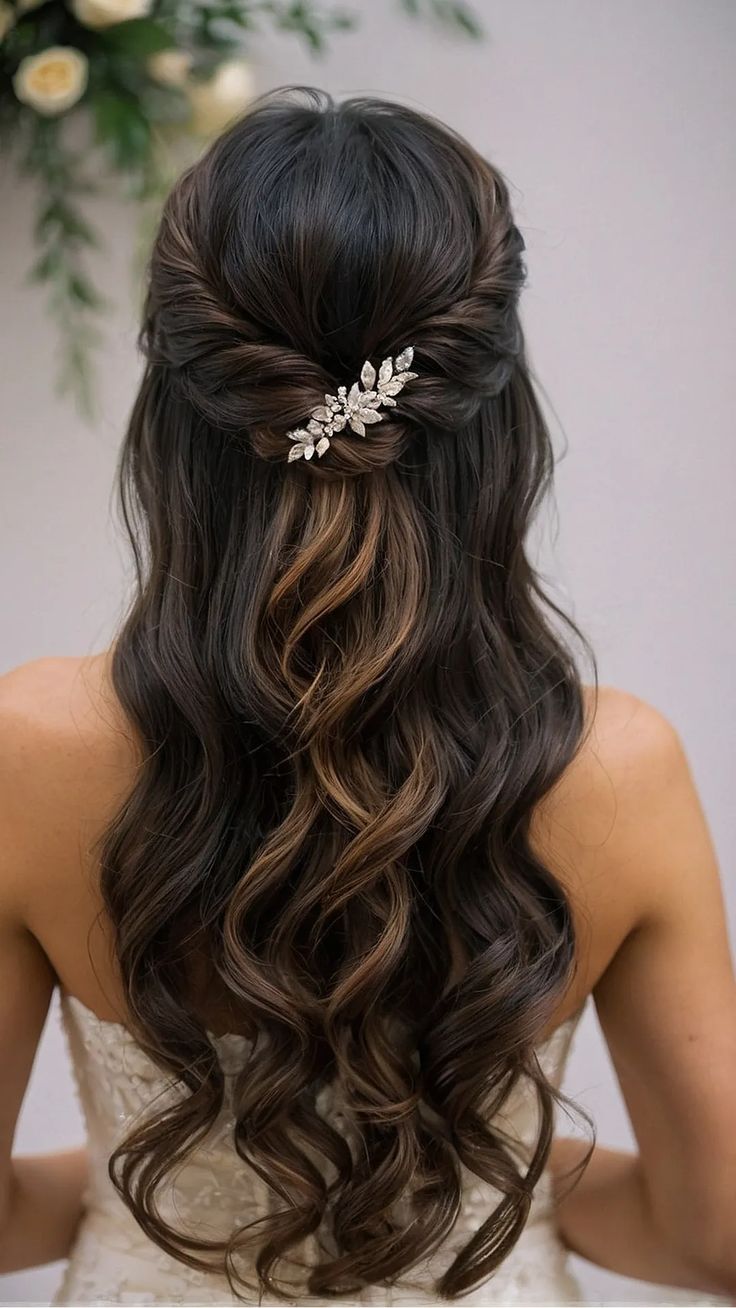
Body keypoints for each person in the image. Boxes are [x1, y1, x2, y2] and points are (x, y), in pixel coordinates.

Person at [0, 88, 734, 1308]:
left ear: (175, 413)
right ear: (495, 413)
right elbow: (714, 1239)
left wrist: (173, 1183)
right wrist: (478, 1172)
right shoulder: (613, 769)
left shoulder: (29, 749)